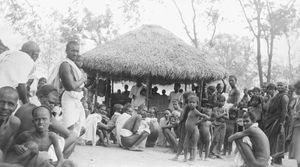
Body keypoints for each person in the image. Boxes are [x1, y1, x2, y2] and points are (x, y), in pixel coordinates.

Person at [14, 85, 77, 159]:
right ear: (41, 98)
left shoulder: (25, 106)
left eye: (54, 104)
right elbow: (66, 133)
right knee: (73, 135)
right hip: (31, 149)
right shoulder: (42, 111)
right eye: (50, 102)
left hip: (19, 147)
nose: (52, 106)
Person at [57, 41, 87, 137]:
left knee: (80, 127)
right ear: (66, 51)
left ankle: (69, 146)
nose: (75, 53)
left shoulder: (74, 65)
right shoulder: (65, 64)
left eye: (77, 51)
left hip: (77, 99)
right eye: (72, 51)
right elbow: (72, 86)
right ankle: (63, 148)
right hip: (69, 98)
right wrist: (83, 79)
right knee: (68, 127)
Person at [264, 82, 289, 165]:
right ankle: (270, 157)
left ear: (285, 87)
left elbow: (284, 111)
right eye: (278, 85)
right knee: (271, 139)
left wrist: (282, 123)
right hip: (271, 120)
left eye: (281, 85)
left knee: (276, 140)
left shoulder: (284, 97)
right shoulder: (276, 96)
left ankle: (275, 159)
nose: (279, 87)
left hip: (278, 121)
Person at [0, 87, 21, 167]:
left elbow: (6, 148)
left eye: (10, 104)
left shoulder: (15, 123)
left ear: (15, 107)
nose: (5, 107)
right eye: (1, 102)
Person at [183, 96, 208, 162]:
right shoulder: (190, 111)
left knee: (193, 144)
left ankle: (193, 158)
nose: (191, 104)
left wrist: (199, 122)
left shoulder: (195, 111)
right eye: (190, 102)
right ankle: (186, 158)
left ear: (197, 104)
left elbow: (205, 116)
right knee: (186, 144)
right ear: (188, 103)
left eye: (193, 102)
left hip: (194, 130)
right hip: (189, 130)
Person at [287, 80, 300, 167]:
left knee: (297, 147)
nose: (295, 90)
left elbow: (297, 114)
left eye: (296, 89)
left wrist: (295, 115)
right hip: (295, 125)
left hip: (298, 126)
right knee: (294, 146)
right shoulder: (297, 99)